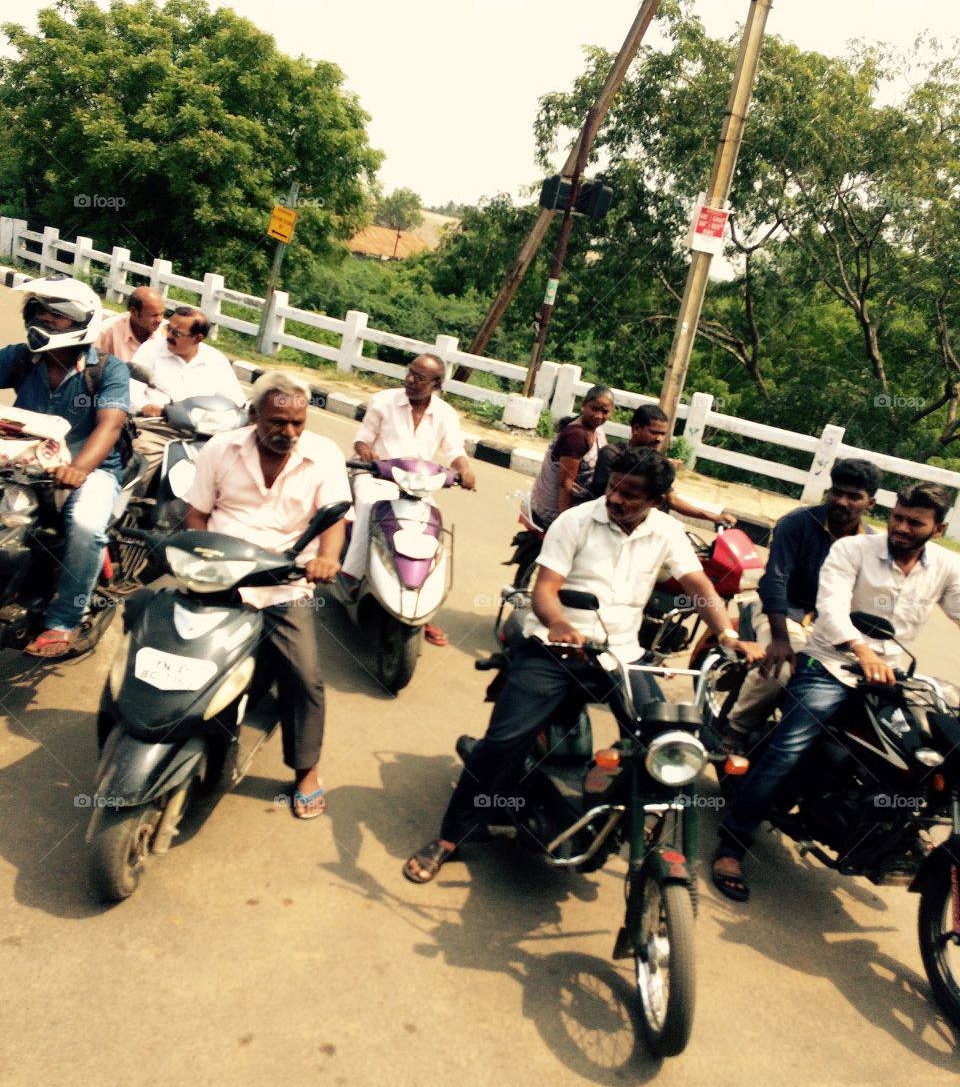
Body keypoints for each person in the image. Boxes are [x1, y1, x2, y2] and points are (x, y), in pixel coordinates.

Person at [402, 448, 763, 883]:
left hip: (623, 655)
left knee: (668, 738)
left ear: (657, 499)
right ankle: (451, 837)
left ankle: (624, 817)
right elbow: (546, 588)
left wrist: (726, 634)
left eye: (630, 494)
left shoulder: (668, 531)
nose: (615, 498)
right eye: (614, 487)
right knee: (502, 742)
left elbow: (697, 584)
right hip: (556, 650)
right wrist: (557, 623)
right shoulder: (574, 522)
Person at [712, 482, 960, 902]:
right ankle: (732, 842)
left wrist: (877, 662)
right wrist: (861, 651)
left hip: (889, 673)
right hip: (829, 661)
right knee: (788, 749)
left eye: (914, 522)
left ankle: (901, 831)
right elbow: (832, 606)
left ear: (938, 529)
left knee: (925, 751)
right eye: (897, 517)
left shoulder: (946, 566)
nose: (900, 527)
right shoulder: (853, 551)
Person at [183, 371, 350, 820]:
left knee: (305, 675)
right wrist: (201, 563)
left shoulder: (325, 455)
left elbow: (334, 518)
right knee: (178, 649)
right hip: (219, 575)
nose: (288, 433)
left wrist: (328, 559)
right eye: (277, 422)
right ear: (254, 414)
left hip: (284, 581)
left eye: (298, 423)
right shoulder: (221, 448)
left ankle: (305, 771)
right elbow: (196, 514)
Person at [0, 275, 130, 658]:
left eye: (57, 315)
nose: (46, 319)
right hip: (22, 464)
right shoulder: (22, 357)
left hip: (90, 468)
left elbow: (110, 425)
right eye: (41, 310)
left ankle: (62, 620)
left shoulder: (107, 370)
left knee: (87, 528)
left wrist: (80, 468)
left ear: (81, 322)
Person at [720, 458, 880, 754]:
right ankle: (735, 730)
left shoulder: (872, 543)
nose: (842, 502)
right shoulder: (797, 522)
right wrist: (780, 639)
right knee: (780, 667)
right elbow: (775, 581)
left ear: (870, 502)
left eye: (854, 497)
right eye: (837, 492)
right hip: (782, 612)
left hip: (831, 623)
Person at [341, 353, 476, 646]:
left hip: (417, 485)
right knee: (368, 506)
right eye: (410, 373)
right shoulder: (384, 401)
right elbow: (362, 438)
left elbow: (455, 450)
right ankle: (351, 574)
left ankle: (425, 608)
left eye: (419, 377)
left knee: (433, 528)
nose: (410, 380)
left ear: (437, 384)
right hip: (376, 477)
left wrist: (465, 470)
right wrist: (366, 453)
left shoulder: (446, 415)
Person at [130, 306, 247, 480]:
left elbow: (237, 401)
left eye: (177, 334)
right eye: (169, 328)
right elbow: (131, 390)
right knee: (140, 463)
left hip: (204, 435)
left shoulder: (215, 360)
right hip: (157, 428)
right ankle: (131, 503)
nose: (169, 336)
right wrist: (144, 407)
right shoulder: (150, 350)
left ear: (197, 338)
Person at [593, 403, 737, 527]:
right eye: (654, 432)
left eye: (663, 434)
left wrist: (713, 517)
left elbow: (672, 499)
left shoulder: (655, 462)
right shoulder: (612, 454)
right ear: (636, 429)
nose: (659, 439)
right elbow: (604, 497)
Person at [528, 385, 614, 530]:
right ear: (584, 405)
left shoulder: (597, 431)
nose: (598, 415)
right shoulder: (576, 437)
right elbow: (565, 484)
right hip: (554, 511)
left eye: (604, 411)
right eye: (594, 409)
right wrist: (565, 524)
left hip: (579, 505)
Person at [96, 287, 166, 362]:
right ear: (133, 312)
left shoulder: (165, 332)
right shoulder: (107, 331)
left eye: (162, 314)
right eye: (154, 315)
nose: (160, 320)